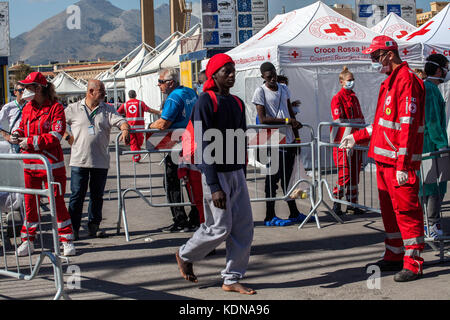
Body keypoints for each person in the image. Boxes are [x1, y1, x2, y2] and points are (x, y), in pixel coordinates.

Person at [340, 36, 426, 282]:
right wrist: (356, 137)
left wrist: (402, 164)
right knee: (389, 212)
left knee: (407, 211)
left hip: (399, 164)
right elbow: (381, 124)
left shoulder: (407, 80)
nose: (373, 61)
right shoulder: (389, 82)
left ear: (389, 54)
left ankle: (413, 262)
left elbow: (408, 125)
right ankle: (394, 254)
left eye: (375, 57)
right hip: (383, 160)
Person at [175, 53, 256, 295]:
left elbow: (241, 139)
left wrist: (241, 171)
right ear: (214, 75)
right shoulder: (205, 101)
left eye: (233, 71)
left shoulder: (238, 103)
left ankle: (231, 278)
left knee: (244, 227)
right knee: (219, 227)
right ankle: (184, 254)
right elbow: (201, 142)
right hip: (216, 174)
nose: (231, 75)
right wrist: (214, 184)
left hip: (235, 173)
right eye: (226, 71)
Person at [9, 72, 76, 257]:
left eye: (28, 87)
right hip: (30, 165)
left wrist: (29, 142)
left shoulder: (56, 108)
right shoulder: (28, 108)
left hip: (51, 166)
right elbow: (23, 127)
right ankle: (28, 241)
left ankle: (67, 240)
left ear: (38, 88)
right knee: (30, 204)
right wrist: (17, 134)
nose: (24, 91)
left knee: (57, 203)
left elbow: (55, 136)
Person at [64, 80, 130, 240]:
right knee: (76, 195)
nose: (104, 93)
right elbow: (58, 123)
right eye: (101, 90)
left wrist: (125, 129)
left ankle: (94, 225)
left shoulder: (107, 109)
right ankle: (73, 228)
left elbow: (120, 121)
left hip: (100, 161)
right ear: (91, 91)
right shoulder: (73, 109)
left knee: (96, 195)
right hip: (79, 161)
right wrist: (66, 135)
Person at [252, 62, 306, 226]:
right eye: (269, 77)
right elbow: (263, 119)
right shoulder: (260, 91)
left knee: (288, 179)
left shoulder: (283, 89)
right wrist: (287, 121)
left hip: (287, 139)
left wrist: (296, 138)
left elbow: (291, 113)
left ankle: (294, 212)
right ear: (263, 77)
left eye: (274, 75)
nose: (273, 79)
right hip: (272, 140)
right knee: (272, 180)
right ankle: (269, 216)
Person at [150, 68, 199, 232]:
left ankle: (180, 219)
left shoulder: (173, 97)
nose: (159, 85)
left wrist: (151, 125)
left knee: (171, 181)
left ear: (170, 83)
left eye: (161, 82)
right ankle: (196, 217)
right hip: (193, 142)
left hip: (177, 145)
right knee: (191, 181)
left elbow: (163, 123)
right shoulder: (191, 92)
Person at [420, 54, 449, 240]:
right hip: (431, 144)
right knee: (433, 187)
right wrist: (442, 145)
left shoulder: (429, 88)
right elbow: (432, 121)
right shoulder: (430, 89)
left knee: (430, 186)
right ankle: (431, 225)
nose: (447, 71)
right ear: (439, 70)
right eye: (446, 67)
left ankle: (430, 224)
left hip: (428, 143)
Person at [330, 66, 366, 216]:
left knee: (354, 175)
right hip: (343, 142)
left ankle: (352, 204)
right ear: (341, 81)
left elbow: (360, 118)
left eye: (353, 80)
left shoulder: (354, 97)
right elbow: (340, 122)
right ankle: (337, 203)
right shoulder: (337, 98)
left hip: (355, 141)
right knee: (344, 174)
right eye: (349, 80)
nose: (352, 82)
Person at [117, 90, 161, 163]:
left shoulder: (125, 104)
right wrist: (159, 112)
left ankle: (136, 155)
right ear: (136, 95)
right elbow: (149, 110)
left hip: (130, 128)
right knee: (138, 142)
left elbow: (117, 113)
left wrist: (122, 123)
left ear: (128, 96)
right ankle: (136, 157)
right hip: (139, 128)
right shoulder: (140, 103)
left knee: (134, 143)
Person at [0, 84, 26, 153]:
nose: (23, 93)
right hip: (14, 142)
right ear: (15, 93)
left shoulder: (31, 106)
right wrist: (6, 136)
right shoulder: (8, 107)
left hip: (27, 142)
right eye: (20, 90)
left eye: (25, 90)